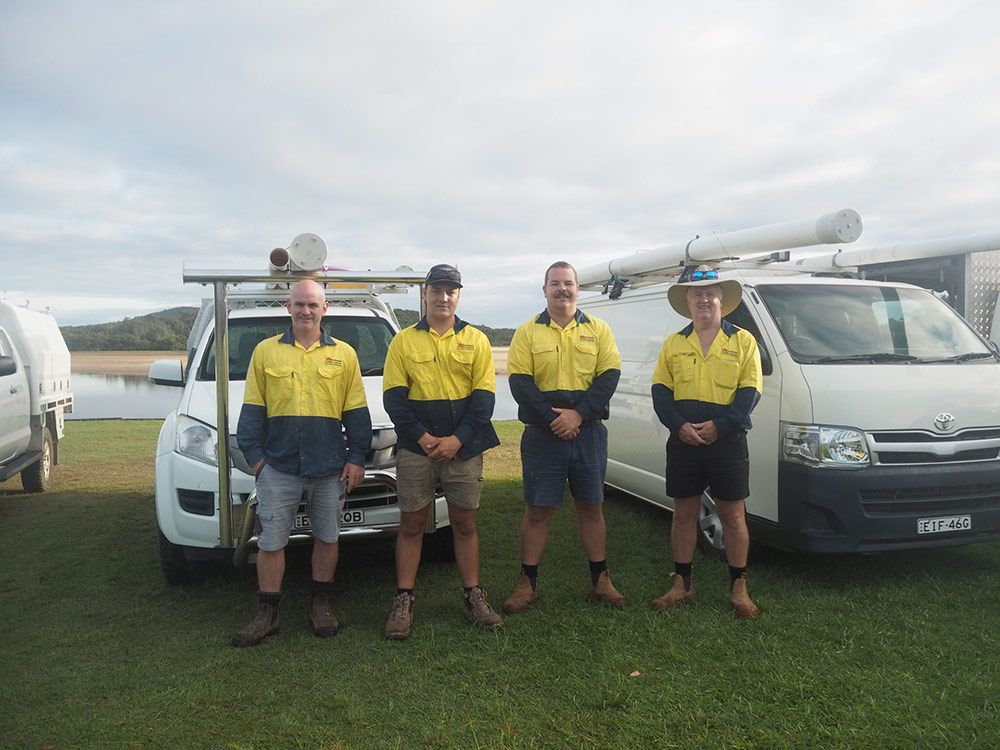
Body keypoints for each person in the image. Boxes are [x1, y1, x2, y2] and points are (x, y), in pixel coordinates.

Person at [233, 279, 372, 647]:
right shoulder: (265, 352)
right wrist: (257, 461)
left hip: (329, 467)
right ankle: (268, 612)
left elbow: (357, 413)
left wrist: (357, 458)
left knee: (327, 537)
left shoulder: (344, 355)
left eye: (313, 305)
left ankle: (321, 604)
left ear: (324, 308)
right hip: (278, 466)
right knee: (270, 542)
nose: (306, 311)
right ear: (287, 306)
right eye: (299, 304)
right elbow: (251, 414)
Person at [382, 264, 503, 639]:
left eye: (451, 290)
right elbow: (394, 399)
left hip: (463, 450)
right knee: (412, 525)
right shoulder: (403, 341)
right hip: (417, 451)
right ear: (426, 294)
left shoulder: (478, 340)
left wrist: (457, 441)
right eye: (437, 289)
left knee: (464, 525)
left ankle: (473, 597)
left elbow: (484, 400)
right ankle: (404, 600)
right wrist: (422, 437)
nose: (443, 296)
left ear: (459, 296)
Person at [502, 261, 625, 614]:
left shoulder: (599, 330)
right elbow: (520, 384)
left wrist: (579, 415)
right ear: (544, 290)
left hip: (588, 435)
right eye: (554, 283)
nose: (562, 289)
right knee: (538, 510)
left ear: (577, 288)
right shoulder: (527, 332)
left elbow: (608, 377)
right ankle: (527, 584)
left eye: (568, 283)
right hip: (543, 436)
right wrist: (554, 421)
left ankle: (601, 580)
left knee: (591, 506)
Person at [650, 265, 763, 619]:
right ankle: (682, 584)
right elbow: (660, 393)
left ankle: (739, 587)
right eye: (697, 294)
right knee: (683, 514)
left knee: (732, 515)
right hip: (683, 441)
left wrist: (721, 426)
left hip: (727, 442)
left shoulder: (743, 341)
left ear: (722, 300)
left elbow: (750, 392)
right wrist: (679, 426)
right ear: (688, 301)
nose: (704, 299)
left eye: (711, 293)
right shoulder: (673, 344)